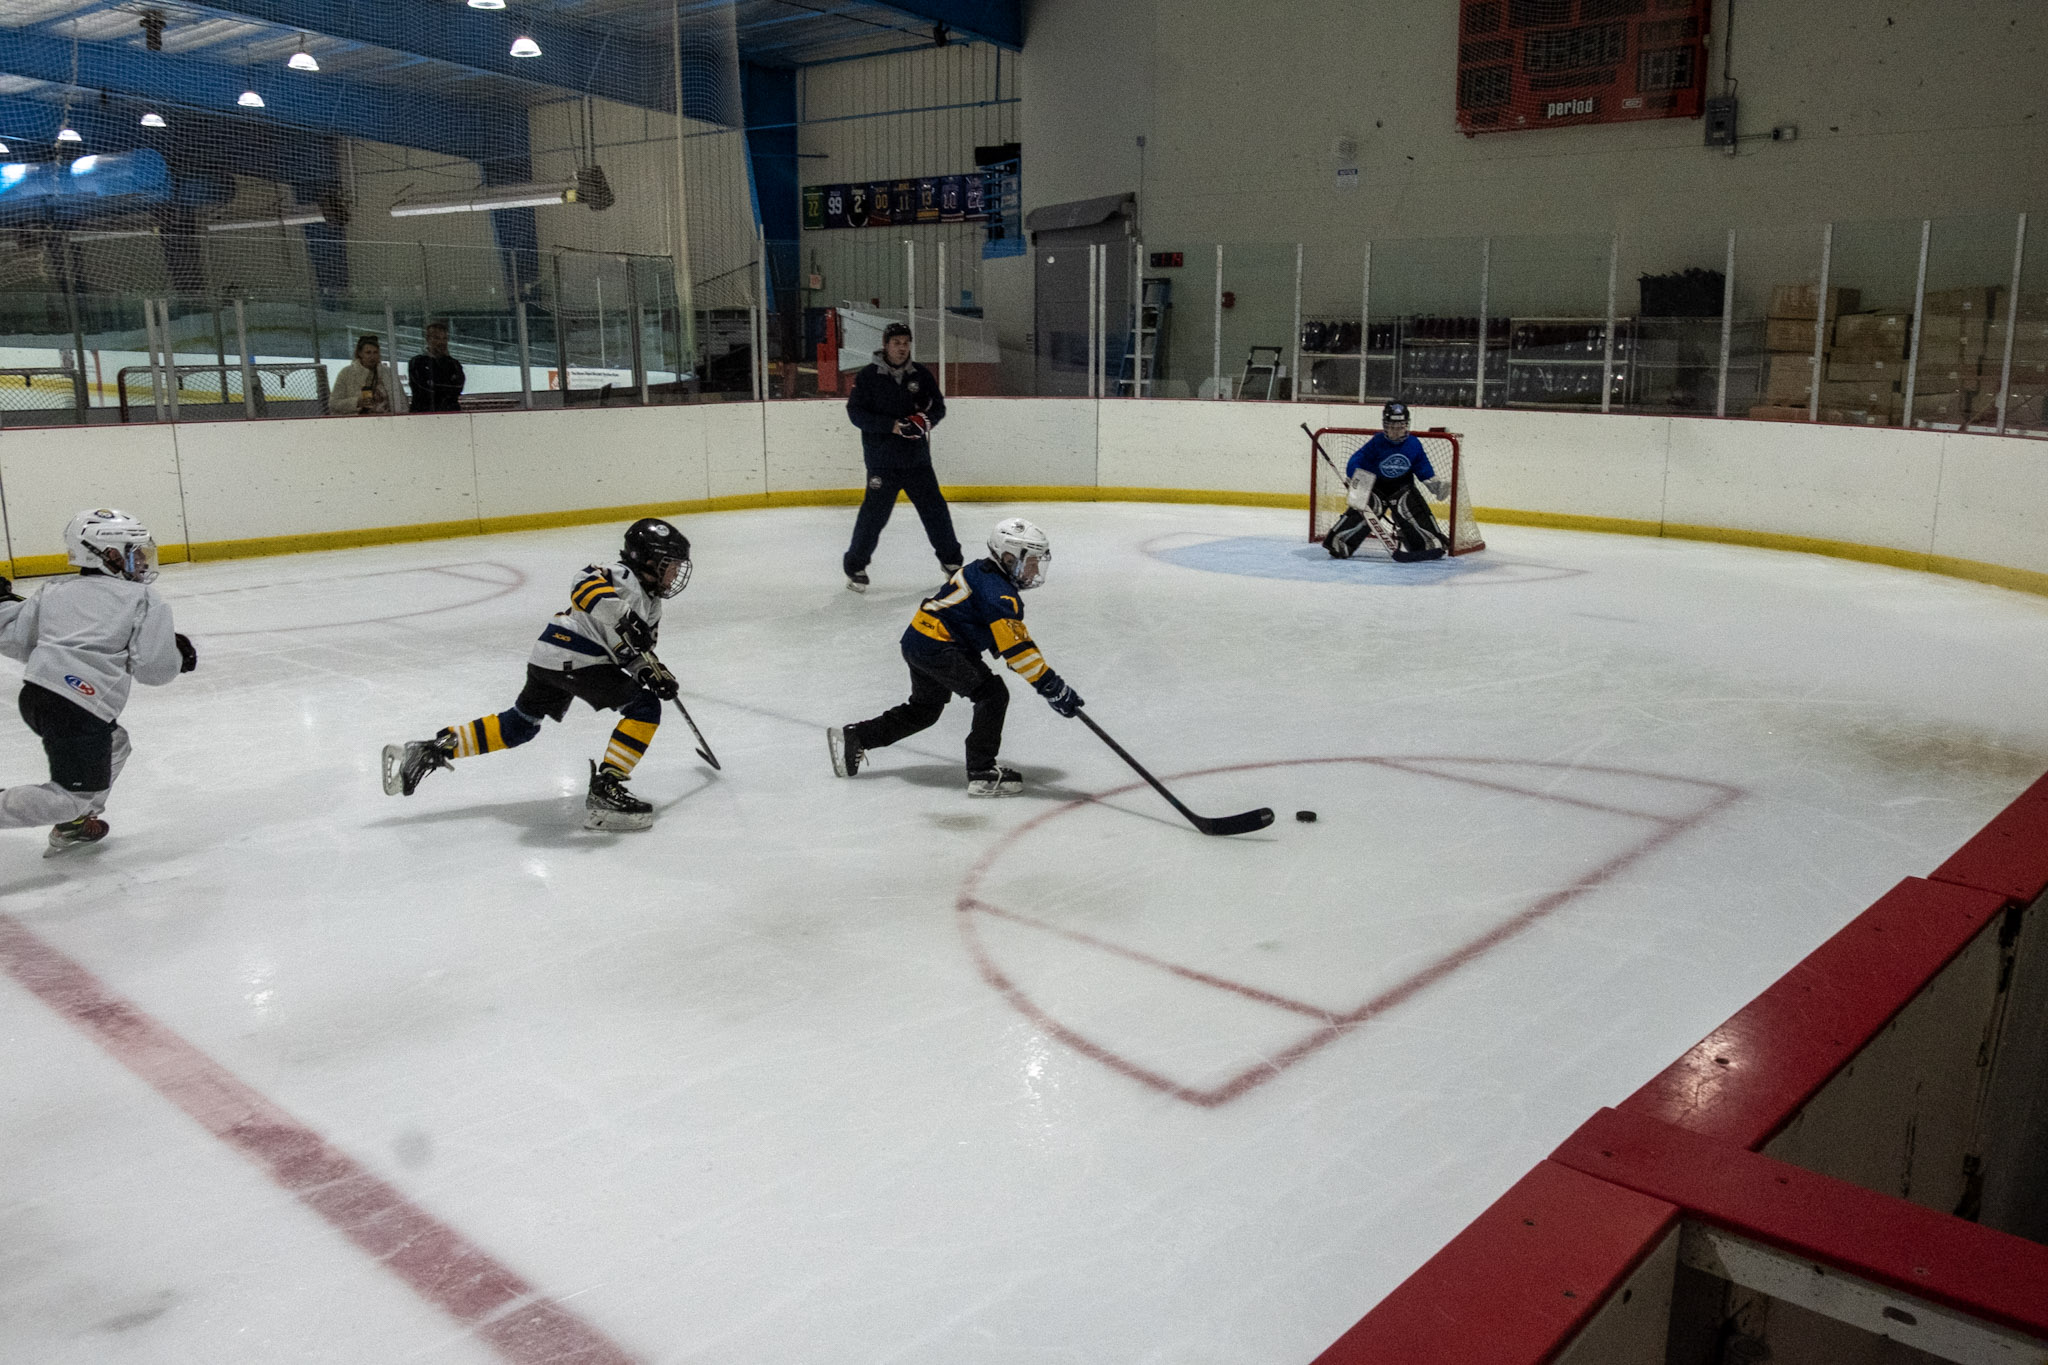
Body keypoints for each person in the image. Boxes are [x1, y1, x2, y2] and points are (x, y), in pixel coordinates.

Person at [381, 519, 693, 831]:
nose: (675, 573)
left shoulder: (652, 606)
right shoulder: (621, 575)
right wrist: (623, 618)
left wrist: (652, 672)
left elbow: (630, 651)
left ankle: (430, 749)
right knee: (645, 708)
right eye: (671, 565)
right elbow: (582, 586)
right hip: (577, 655)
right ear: (647, 560)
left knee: (520, 725)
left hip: (552, 656)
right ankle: (606, 790)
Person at [829, 517, 1081, 797]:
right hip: (939, 646)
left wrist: (1031, 671)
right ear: (1009, 558)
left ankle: (857, 736)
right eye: (1031, 560)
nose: (1035, 568)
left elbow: (1003, 642)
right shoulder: (998, 594)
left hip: (919, 640)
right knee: (992, 695)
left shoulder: (983, 572)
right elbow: (1016, 649)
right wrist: (1051, 685)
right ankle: (982, 772)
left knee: (925, 709)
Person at [0, 509, 196, 854]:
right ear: (107, 554)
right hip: (79, 706)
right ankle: (74, 813)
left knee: (115, 743)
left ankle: (74, 825)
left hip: (37, 698)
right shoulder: (142, 599)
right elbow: (154, 670)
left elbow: (15, 637)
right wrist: (178, 655)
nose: (142, 561)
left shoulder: (54, 589)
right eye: (133, 553)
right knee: (70, 798)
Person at [841, 321, 962, 592]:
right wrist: (891, 426)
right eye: (896, 343)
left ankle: (952, 563)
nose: (902, 347)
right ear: (886, 345)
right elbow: (856, 414)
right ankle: (855, 566)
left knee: (935, 512)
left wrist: (924, 422)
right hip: (882, 463)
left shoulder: (920, 375)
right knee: (873, 516)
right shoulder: (868, 377)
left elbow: (938, 407)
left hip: (916, 460)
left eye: (906, 342)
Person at [1323, 401, 1449, 562]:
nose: (1396, 431)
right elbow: (1358, 459)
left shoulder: (1413, 444)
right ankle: (1340, 543)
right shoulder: (1377, 442)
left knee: (1412, 509)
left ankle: (1428, 544)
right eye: (1392, 426)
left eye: (1400, 426)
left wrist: (1435, 485)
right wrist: (1354, 477)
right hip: (1376, 487)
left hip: (1402, 487)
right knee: (1367, 508)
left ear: (1406, 425)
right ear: (1385, 425)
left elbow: (1422, 466)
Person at [330, 334, 409, 416]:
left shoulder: (389, 373)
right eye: (368, 353)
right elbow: (333, 403)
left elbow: (402, 401)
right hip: (357, 423)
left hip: (388, 421)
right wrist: (357, 402)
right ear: (360, 353)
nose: (372, 356)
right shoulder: (346, 373)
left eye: (375, 352)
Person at [408, 321, 467, 414]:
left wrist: (437, 386)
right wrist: (447, 387)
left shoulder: (454, 364)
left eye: (444, 338)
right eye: (436, 338)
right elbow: (424, 389)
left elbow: (458, 387)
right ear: (428, 339)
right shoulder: (416, 362)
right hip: (423, 415)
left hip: (451, 415)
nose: (441, 342)